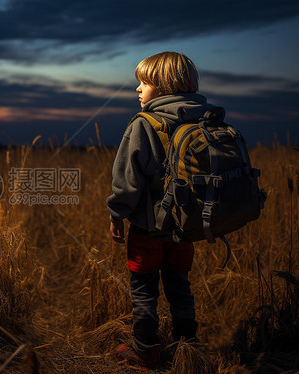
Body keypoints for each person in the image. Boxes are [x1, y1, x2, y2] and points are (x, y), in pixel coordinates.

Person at [106, 51, 221, 369]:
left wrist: (117, 216)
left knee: (144, 291)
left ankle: (146, 352)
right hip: (186, 229)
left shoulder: (143, 125)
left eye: (143, 83)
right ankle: (188, 348)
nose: (138, 90)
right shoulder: (206, 121)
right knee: (180, 286)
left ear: (164, 86)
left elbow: (127, 184)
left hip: (147, 230)